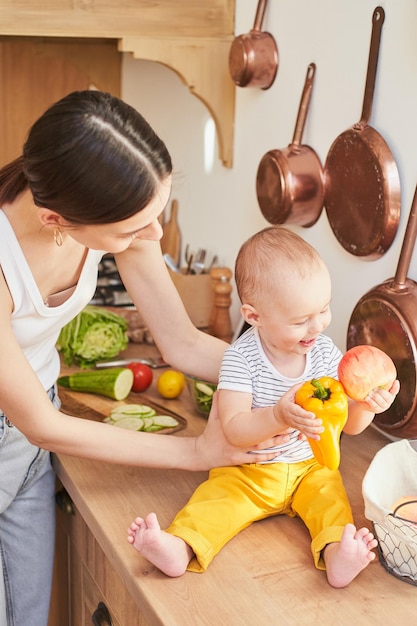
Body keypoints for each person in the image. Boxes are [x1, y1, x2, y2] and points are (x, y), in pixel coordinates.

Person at [0, 91, 283, 626]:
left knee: (26, 614)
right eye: (134, 230)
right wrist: (198, 452)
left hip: (36, 429)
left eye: (156, 214)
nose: (151, 236)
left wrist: (287, 384)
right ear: (56, 219)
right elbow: (42, 426)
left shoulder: (115, 205)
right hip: (30, 426)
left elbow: (182, 342)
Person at [127, 226, 400, 588]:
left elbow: (348, 426)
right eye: (301, 319)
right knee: (213, 502)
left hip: (309, 469)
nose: (317, 325)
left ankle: (337, 555)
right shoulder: (241, 360)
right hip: (250, 471)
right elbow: (234, 428)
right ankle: (180, 546)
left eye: (324, 309)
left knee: (332, 502)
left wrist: (367, 405)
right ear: (254, 316)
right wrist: (276, 415)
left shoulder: (323, 352)